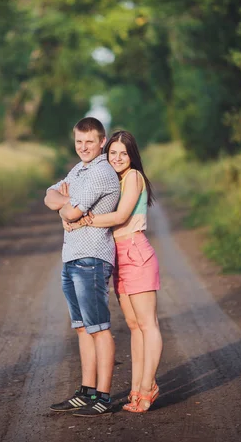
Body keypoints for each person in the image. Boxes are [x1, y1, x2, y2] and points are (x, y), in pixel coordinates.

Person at [63, 130, 162, 413]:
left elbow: (119, 217)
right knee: (134, 326)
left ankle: (148, 387)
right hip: (118, 256)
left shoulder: (133, 177)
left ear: (132, 156)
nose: (118, 158)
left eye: (124, 153)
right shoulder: (113, 178)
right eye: (113, 153)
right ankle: (136, 389)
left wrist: (81, 220)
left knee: (148, 324)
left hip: (136, 253)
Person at [44, 117, 120, 417]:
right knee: (82, 329)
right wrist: (64, 200)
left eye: (89, 142)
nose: (83, 147)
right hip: (71, 256)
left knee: (99, 329)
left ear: (102, 141)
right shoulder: (79, 169)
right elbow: (49, 196)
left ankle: (103, 397)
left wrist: (66, 202)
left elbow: (73, 212)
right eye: (79, 142)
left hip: (92, 258)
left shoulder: (101, 172)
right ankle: (87, 391)